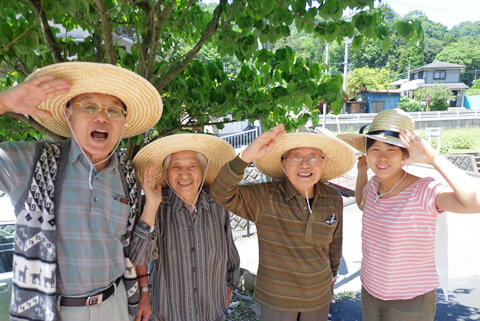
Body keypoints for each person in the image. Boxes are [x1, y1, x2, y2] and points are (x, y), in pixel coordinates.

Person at [0, 62, 163, 321]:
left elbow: (135, 252)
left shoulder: (127, 174)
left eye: (113, 110)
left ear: (123, 122)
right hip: (52, 311)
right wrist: (5, 102)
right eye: (89, 106)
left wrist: (152, 204)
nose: (102, 117)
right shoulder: (34, 162)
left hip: (115, 304)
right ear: (68, 114)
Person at [337, 108, 480, 321]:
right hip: (370, 292)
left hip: (410, 301)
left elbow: (474, 202)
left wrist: (433, 158)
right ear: (366, 153)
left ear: (406, 154)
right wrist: (361, 172)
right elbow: (362, 203)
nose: (382, 157)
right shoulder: (374, 184)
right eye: (375, 149)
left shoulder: (424, 190)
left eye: (392, 150)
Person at [210, 125, 356, 321]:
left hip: (318, 298)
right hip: (277, 300)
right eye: (296, 157)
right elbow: (220, 192)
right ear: (283, 163)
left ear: (322, 162)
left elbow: (334, 244)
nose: (305, 164)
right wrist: (246, 155)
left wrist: (332, 275)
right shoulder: (264, 196)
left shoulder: (333, 197)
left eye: (313, 156)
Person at [129, 133, 241, 321]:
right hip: (169, 312)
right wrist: (151, 205)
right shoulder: (154, 206)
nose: (184, 173)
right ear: (166, 173)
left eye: (192, 166)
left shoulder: (217, 206)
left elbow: (229, 251)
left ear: (203, 170)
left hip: (212, 311)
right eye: (176, 166)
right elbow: (139, 256)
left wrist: (230, 285)